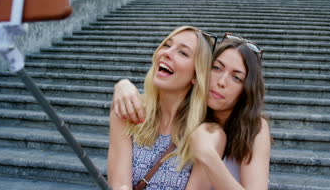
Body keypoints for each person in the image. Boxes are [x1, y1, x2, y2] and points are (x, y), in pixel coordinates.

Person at [112, 33, 271, 190]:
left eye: (236, 78)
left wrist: (208, 155)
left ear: (246, 90)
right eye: (216, 68)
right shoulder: (192, 117)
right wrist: (123, 85)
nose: (221, 82)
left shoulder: (253, 128)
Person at [107, 26, 222, 190]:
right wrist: (121, 83)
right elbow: (120, 185)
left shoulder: (209, 133)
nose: (166, 53)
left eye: (183, 52)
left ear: (196, 76)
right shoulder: (129, 112)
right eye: (167, 45)